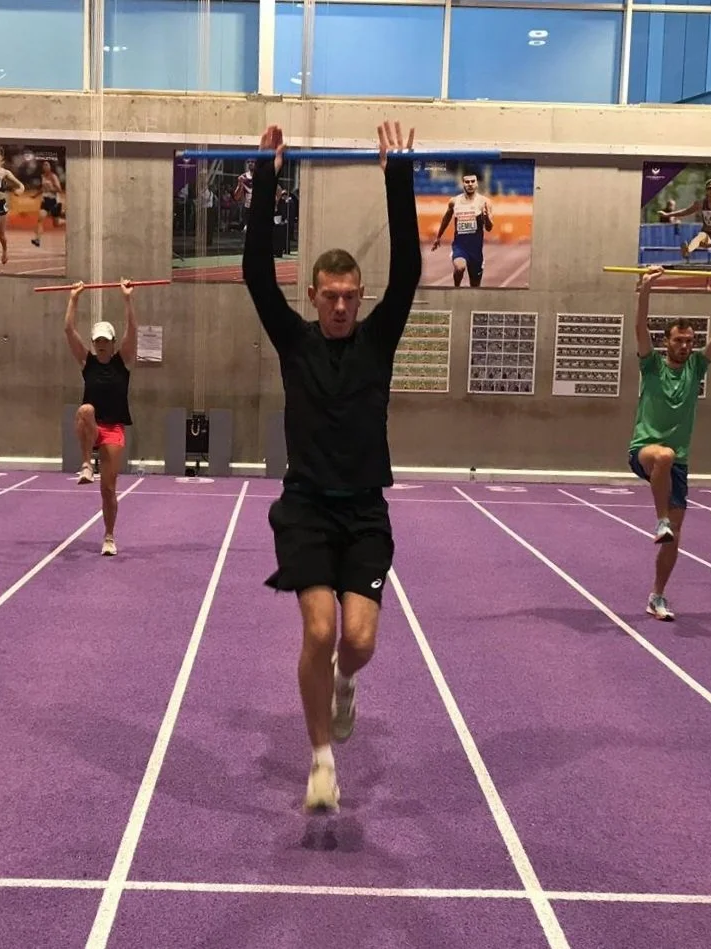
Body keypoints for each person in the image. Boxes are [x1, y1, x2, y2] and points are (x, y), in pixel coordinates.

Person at [242, 121, 420, 813]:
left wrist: (395, 175)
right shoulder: (292, 341)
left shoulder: (379, 339)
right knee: (318, 630)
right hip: (307, 507)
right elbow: (256, 270)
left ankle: (346, 684)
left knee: (358, 641)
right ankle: (319, 760)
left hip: (365, 511)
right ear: (313, 295)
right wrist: (266, 175)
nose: (342, 305)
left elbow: (407, 266)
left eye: (351, 295)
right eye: (331, 295)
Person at [628, 264, 711, 621]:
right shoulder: (651, 366)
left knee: (675, 537)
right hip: (644, 451)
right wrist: (646, 288)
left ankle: (656, 596)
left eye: (690, 340)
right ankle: (659, 519)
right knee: (663, 453)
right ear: (666, 342)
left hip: (678, 463)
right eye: (679, 340)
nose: (685, 345)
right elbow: (639, 327)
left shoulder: (696, 367)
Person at [64, 278, 137, 557]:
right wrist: (74, 298)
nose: (102, 345)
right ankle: (85, 464)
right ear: (93, 343)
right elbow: (69, 330)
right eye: (98, 341)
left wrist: (127, 299)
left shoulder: (123, 361)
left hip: (113, 429)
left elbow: (133, 330)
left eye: (106, 341)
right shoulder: (87, 362)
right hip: (91, 427)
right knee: (85, 409)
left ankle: (109, 536)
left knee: (108, 488)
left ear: (113, 342)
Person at [431, 168, 492, 287]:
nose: (470, 184)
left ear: (477, 183)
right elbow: (446, 219)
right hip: (460, 246)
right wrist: (438, 237)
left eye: (472, 181)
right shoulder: (454, 201)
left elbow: (489, 228)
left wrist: (486, 217)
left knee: (475, 286)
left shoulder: (484, 202)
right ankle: (456, 287)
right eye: (467, 182)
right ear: (462, 183)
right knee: (460, 267)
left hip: (476, 250)